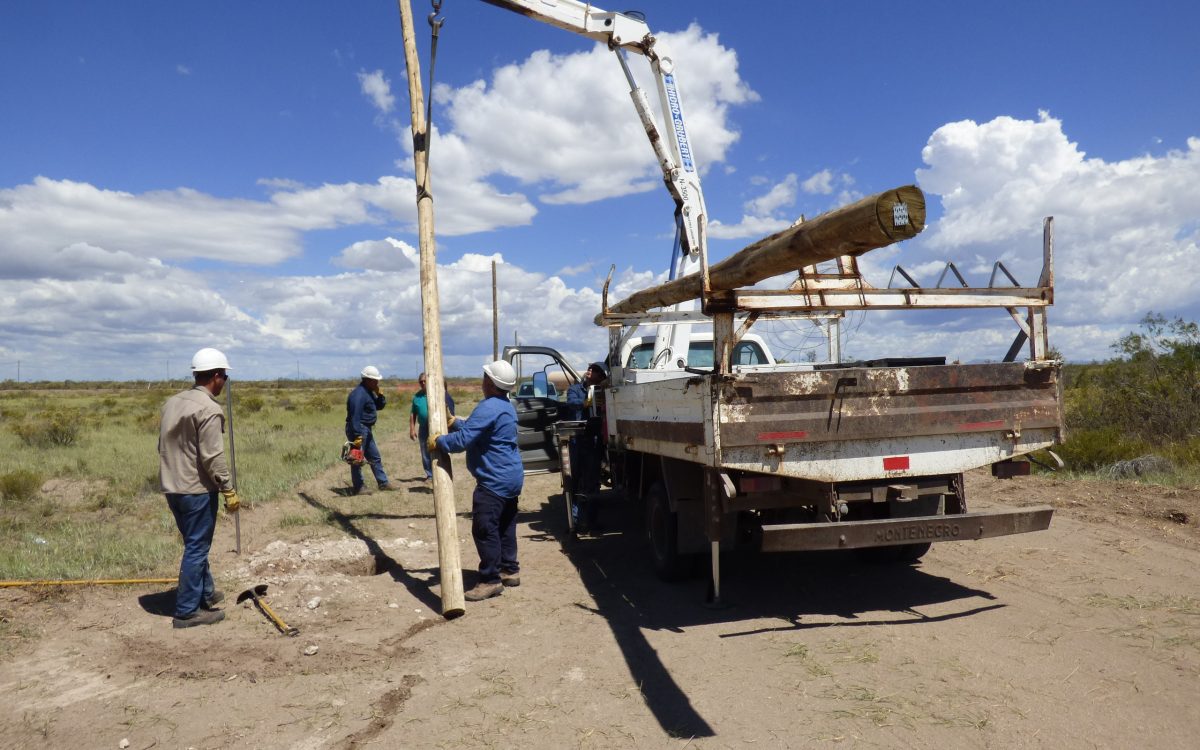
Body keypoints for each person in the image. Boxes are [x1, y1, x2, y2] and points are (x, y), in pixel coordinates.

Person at [158, 347, 240, 628]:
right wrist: (227, 488)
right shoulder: (209, 409)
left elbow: (163, 446)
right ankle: (187, 611)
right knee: (197, 547)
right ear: (216, 376)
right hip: (197, 490)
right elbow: (212, 457)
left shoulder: (173, 402)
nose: (225, 382)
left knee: (195, 544)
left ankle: (205, 593)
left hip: (172, 487)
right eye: (225, 377)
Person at [431, 360, 523, 601]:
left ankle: (491, 580)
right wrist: (455, 423)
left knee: (485, 529)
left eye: (484, 377)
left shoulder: (489, 406)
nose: (482, 381)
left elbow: (461, 442)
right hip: (511, 478)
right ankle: (509, 569)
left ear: (490, 383)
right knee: (505, 525)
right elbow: (477, 429)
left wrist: (440, 441)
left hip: (494, 480)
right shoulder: (505, 405)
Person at [565, 361, 608, 533]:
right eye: (590, 368)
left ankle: (592, 523)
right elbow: (571, 403)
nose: (590, 371)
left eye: (595, 370)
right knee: (574, 483)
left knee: (593, 485)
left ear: (601, 377)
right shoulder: (575, 390)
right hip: (577, 442)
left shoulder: (603, 392)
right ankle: (574, 524)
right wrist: (586, 403)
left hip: (594, 443)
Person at [345, 365, 397, 494]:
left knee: (374, 457)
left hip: (365, 429)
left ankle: (383, 483)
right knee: (356, 458)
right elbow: (354, 416)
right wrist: (357, 435)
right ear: (367, 379)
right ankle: (359, 487)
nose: (377, 382)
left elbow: (378, 406)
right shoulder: (358, 395)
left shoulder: (368, 392)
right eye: (375, 380)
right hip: (359, 429)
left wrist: (380, 395)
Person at [409, 372, 456, 481]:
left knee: (440, 448)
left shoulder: (437, 394)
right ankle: (430, 475)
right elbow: (413, 414)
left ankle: (442, 472)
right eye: (421, 382)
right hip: (424, 427)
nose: (423, 383)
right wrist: (412, 429)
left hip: (437, 425)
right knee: (425, 451)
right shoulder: (417, 396)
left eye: (425, 381)